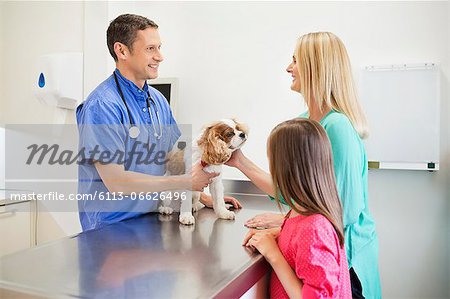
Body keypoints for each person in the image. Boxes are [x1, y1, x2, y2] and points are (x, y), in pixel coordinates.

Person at [227, 32, 381, 298]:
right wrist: (239, 162)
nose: (289, 68)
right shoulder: (305, 121)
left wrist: (286, 228)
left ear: (316, 67)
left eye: (296, 60)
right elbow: (293, 190)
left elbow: (341, 211)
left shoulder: (339, 128)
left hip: (347, 263)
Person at [76, 14, 240, 232]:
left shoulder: (158, 101)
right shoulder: (102, 106)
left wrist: (204, 196)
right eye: (150, 49)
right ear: (122, 51)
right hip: (111, 228)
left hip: (153, 220)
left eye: (159, 47)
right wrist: (185, 182)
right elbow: (116, 182)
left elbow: (174, 160)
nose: (160, 56)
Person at [244, 118, 351, 298]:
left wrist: (273, 254)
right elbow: (299, 245)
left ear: (285, 167)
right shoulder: (300, 213)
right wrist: (276, 234)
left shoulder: (314, 228)